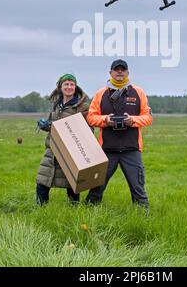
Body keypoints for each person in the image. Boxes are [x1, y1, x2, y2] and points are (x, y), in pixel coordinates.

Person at [85, 60, 152, 208]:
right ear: (110, 73)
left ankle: (143, 217)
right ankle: (88, 213)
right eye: (117, 70)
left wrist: (132, 120)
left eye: (123, 70)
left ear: (128, 73)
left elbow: (148, 118)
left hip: (131, 149)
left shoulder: (138, 92)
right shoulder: (100, 94)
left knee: (138, 188)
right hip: (107, 149)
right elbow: (91, 117)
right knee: (96, 187)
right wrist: (105, 120)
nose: (120, 72)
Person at [36, 73, 90, 205]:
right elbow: (52, 125)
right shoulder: (56, 105)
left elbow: (88, 130)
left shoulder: (82, 107)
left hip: (71, 151)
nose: (69, 87)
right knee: (42, 181)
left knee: (72, 184)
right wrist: (45, 125)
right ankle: (40, 211)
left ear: (75, 87)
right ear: (60, 87)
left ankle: (74, 211)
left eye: (72, 84)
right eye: (66, 84)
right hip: (52, 149)